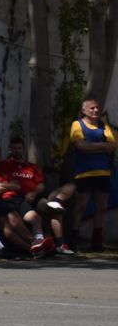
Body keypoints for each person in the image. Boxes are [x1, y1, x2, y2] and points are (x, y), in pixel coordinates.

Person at [63, 98, 112, 249]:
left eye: (97, 108)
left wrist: (91, 146)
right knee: (81, 206)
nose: (95, 110)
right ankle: (73, 237)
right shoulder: (77, 125)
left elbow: (112, 146)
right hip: (84, 173)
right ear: (84, 110)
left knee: (101, 207)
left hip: (103, 172)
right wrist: (102, 146)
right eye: (92, 108)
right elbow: (80, 146)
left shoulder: (104, 125)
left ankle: (97, 240)